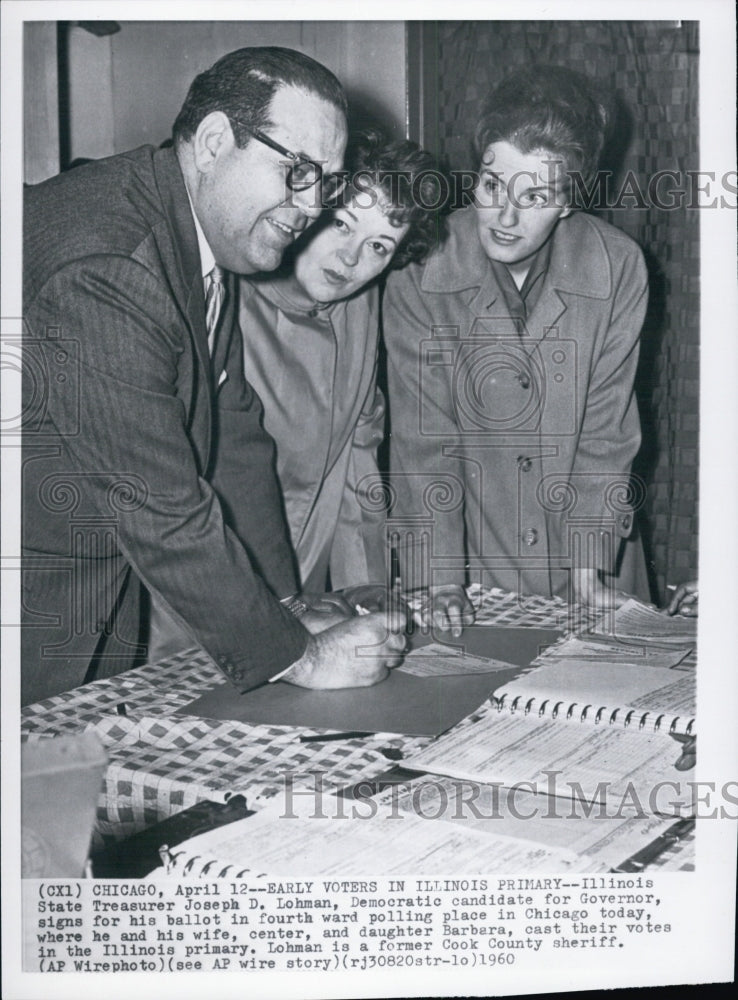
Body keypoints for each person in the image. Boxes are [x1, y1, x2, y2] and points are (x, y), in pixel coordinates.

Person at [21, 46, 405, 706]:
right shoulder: (111, 264)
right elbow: (158, 501)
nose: (312, 206)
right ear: (214, 142)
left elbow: (231, 436)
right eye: (299, 172)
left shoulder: (197, 231)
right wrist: (298, 657)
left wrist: (285, 604)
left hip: (92, 591)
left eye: (328, 183)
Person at [383, 65, 651, 636]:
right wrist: (439, 578)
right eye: (491, 185)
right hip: (468, 568)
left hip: (591, 555)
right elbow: (422, 442)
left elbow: (606, 438)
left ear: (570, 202)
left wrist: (588, 567)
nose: (505, 216)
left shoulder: (618, 267)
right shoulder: (421, 266)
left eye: (536, 195)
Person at [239, 129, 439, 600]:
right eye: (344, 224)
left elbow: (358, 454)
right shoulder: (231, 300)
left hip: (303, 588)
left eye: (379, 247)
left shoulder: (359, 307)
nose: (350, 258)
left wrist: (364, 589)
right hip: (206, 593)